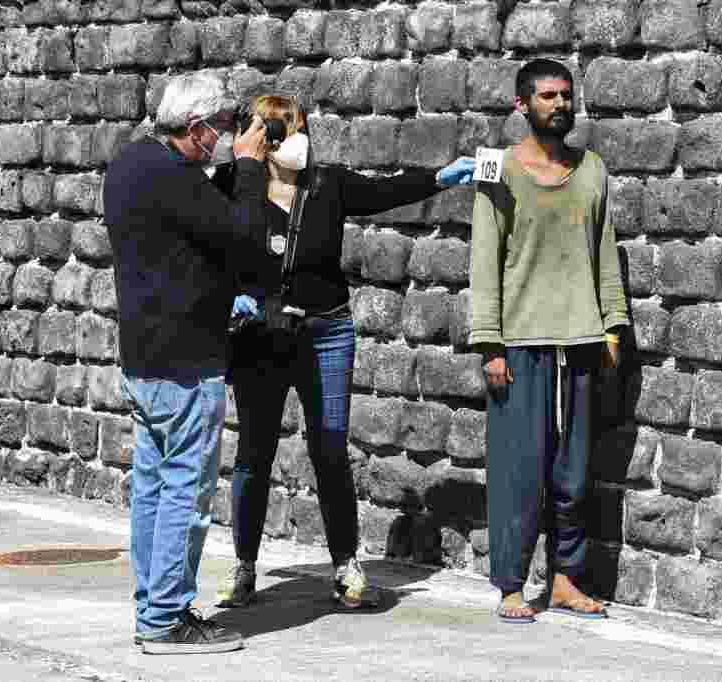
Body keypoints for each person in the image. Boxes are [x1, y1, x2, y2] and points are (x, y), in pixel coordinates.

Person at [216, 93, 475, 610]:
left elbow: (385, 191)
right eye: (281, 129)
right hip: (260, 337)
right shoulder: (233, 182)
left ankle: (345, 564)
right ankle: (244, 566)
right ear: (260, 137)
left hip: (326, 331)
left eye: (300, 127)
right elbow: (200, 240)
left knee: (329, 449)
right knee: (254, 453)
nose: (294, 138)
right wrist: (229, 297)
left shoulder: (326, 185)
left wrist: (441, 177)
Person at [103, 72, 269, 654]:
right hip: (187, 361)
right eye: (221, 130)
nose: (225, 139)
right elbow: (246, 236)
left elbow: (188, 234)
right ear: (195, 130)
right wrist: (249, 167)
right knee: (184, 492)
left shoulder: (129, 164)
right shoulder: (177, 177)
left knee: (152, 484)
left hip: (144, 355)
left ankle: (153, 605)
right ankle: (168, 618)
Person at [469, 59, 629, 624]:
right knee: (519, 471)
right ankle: (511, 584)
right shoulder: (498, 168)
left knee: (575, 473)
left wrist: (613, 325)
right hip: (518, 343)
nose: (559, 105)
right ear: (522, 106)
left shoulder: (592, 170)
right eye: (546, 96)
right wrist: (488, 342)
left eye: (565, 96)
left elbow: (606, 253)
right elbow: (484, 258)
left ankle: (565, 580)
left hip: (582, 339)